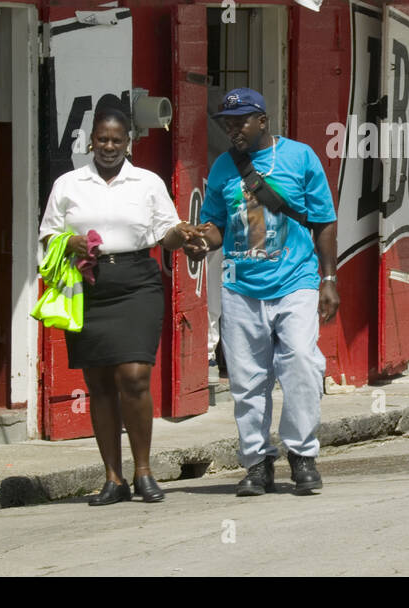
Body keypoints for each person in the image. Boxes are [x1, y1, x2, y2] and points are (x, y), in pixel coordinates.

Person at [39, 99, 198, 505]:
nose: (109, 147)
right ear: (90, 142)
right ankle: (113, 478)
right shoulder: (69, 185)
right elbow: (46, 236)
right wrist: (68, 241)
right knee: (99, 383)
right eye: (101, 140)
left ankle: (143, 471)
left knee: (134, 375)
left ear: (129, 143)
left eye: (117, 140)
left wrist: (183, 234)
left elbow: (166, 232)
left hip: (137, 282)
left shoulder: (147, 182)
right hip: (89, 285)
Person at [183, 88, 339, 496]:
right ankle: (256, 463)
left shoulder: (301, 157)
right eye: (227, 123)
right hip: (240, 285)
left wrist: (328, 280)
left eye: (241, 122)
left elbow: (323, 221)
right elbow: (215, 224)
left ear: (263, 121)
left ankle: (303, 456)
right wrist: (202, 240)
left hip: (297, 281)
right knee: (248, 380)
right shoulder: (222, 168)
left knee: (302, 363)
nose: (233, 129)